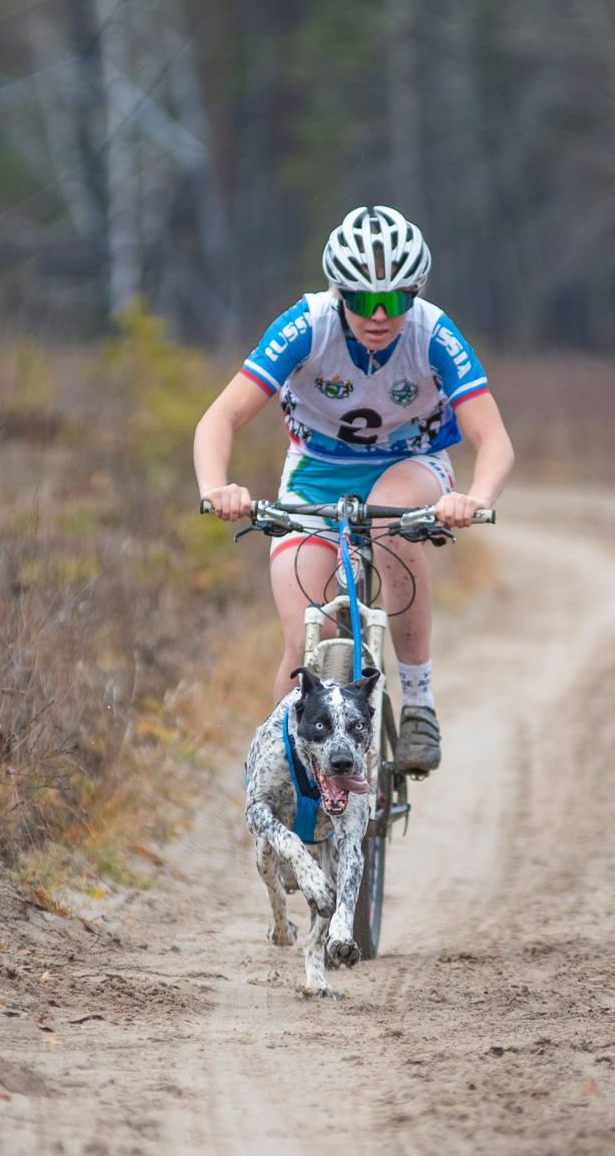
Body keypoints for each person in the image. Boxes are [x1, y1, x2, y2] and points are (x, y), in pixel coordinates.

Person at [194, 205, 514, 774]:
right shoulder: (306, 325)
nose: (379, 315)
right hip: (316, 473)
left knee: (389, 522)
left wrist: (475, 499)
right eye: (362, 300)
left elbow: (494, 442)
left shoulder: (433, 333)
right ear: (338, 293)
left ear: (415, 293)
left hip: (410, 464)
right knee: (306, 642)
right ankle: (287, 774)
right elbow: (219, 418)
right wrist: (216, 486)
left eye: (395, 299)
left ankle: (418, 704)